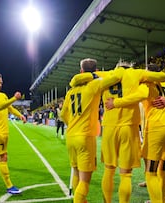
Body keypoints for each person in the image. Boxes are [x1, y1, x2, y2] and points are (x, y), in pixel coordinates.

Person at [69, 60, 165, 203]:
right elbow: (164, 77)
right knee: (126, 175)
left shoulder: (108, 74)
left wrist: (83, 79)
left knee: (109, 171)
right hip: (129, 127)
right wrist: (146, 77)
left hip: (109, 127)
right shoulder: (137, 73)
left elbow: (80, 78)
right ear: (130, 67)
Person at [60, 58, 122, 203]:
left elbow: (62, 115)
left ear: (81, 71)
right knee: (85, 181)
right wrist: (96, 75)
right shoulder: (94, 84)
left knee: (76, 172)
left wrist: (72, 124)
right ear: (96, 70)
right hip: (85, 136)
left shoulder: (70, 91)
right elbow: (116, 77)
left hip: (70, 136)